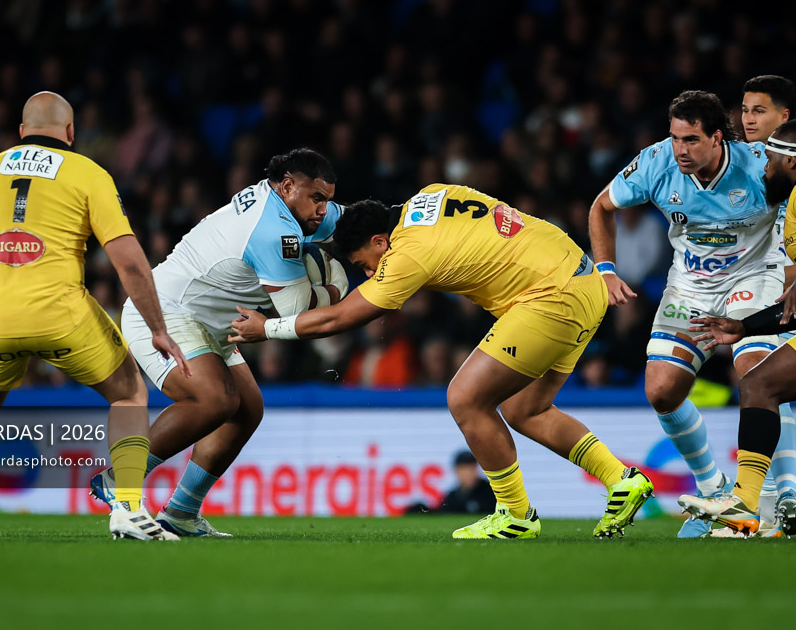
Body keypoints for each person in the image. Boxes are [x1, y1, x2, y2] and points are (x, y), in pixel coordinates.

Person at [230, 184, 654, 540]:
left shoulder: (406, 255)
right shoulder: (429, 194)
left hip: (549, 295)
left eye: (363, 264)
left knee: (465, 398)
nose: (368, 273)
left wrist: (267, 328)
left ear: (379, 242)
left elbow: (340, 318)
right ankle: (622, 480)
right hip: (583, 281)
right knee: (526, 409)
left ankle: (515, 515)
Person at [0, 91, 188, 542]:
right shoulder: (88, 173)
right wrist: (158, 329)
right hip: (62, 316)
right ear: (70, 132)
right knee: (129, 394)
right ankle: (128, 510)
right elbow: (130, 263)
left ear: (21, 133)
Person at [89, 148, 346, 537]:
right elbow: (296, 312)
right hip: (164, 313)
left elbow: (350, 220)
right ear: (287, 186)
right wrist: (335, 289)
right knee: (216, 400)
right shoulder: (272, 230)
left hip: (206, 322)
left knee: (247, 409)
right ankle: (118, 479)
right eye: (316, 199)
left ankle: (181, 512)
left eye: (327, 200)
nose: (323, 210)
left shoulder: (291, 204)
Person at [588, 90, 789, 538]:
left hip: (754, 277)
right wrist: (606, 270)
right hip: (691, 287)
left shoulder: (759, 164)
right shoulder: (656, 162)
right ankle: (713, 490)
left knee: (757, 376)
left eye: (691, 140)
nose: (680, 149)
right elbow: (601, 206)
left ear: (717, 138)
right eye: (676, 137)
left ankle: (769, 499)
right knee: (661, 391)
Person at [679, 120, 796, 537]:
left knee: (760, 384)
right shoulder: (791, 204)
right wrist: (743, 327)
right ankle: (744, 503)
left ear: (791, 162)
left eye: (770, 160)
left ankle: (758, 499)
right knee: (760, 384)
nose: (763, 167)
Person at [440, 450, 496, 515]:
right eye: (465, 468)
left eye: (472, 468)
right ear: (457, 470)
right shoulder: (452, 497)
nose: (469, 473)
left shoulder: (491, 492)